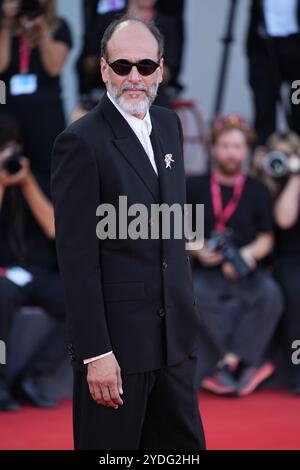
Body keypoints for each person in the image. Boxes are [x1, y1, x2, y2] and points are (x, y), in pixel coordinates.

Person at [51, 16, 206, 450]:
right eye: (122, 67)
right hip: (116, 352)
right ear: (103, 70)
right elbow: (76, 259)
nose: (134, 77)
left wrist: (186, 320)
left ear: (161, 68)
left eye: (145, 65)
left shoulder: (171, 126)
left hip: (175, 344)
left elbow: (171, 234)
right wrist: (95, 353)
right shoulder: (80, 142)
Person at [186, 115, 283, 397]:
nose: (231, 152)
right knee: (192, 296)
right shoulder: (194, 186)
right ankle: (241, 362)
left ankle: (230, 364)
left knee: (271, 295)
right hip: (204, 269)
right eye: (225, 145)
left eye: (237, 146)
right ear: (214, 149)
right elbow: (173, 228)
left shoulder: (258, 189)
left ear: (246, 151)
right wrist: (197, 249)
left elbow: (266, 238)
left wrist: (246, 256)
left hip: (243, 269)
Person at [0, 114, 65, 412]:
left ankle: (31, 376)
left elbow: (54, 228)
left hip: (37, 272)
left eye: (13, 148)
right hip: (3, 275)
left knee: (83, 299)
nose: (9, 156)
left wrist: (25, 184)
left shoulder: (36, 180)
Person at [0, 0, 72, 175]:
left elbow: (54, 67)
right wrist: (7, 24)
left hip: (46, 116)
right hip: (9, 114)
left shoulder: (59, 26)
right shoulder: (6, 27)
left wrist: (43, 31)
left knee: (48, 174)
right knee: (7, 173)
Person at [76, 0, 181, 107]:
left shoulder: (168, 24)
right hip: (108, 95)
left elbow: (169, 70)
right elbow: (87, 63)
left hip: (152, 100)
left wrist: (149, 67)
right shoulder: (106, 20)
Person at [246, 0, 300, 145]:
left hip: (295, 46)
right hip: (263, 46)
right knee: (264, 106)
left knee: (297, 100)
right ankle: (263, 157)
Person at [273, 139, 300, 395]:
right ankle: (297, 371)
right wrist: (296, 177)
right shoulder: (276, 180)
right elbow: (284, 218)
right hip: (289, 260)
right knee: (294, 294)